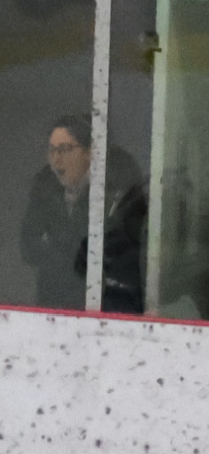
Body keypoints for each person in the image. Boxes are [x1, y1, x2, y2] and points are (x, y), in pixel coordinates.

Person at [19, 114, 146, 314]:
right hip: (53, 302)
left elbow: (125, 254)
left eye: (65, 149)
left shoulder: (119, 187)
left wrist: (59, 246)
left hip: (107, 305)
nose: (55, 159)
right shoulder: (44, 184)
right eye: (52, 150)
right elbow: (28, 245)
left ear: (90, 153)